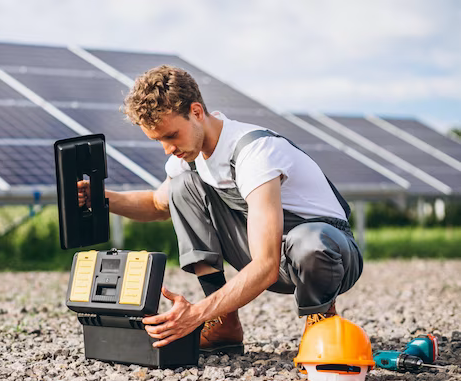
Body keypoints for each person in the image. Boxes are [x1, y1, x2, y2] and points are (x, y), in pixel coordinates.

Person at [78, 65, 363, 354]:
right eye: (158, 140)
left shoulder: (255, 152)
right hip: (272, 256)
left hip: (330, 254)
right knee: (182, 186)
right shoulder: (188, 157)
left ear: (197, 112)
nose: (167, 149)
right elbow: (156, 204)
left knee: (309, 243)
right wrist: (100, 198)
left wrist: (195, 314)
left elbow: (265, 266)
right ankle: (224, 323)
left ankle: (321, 322)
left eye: (172, 135)